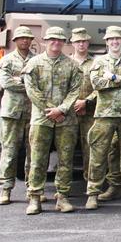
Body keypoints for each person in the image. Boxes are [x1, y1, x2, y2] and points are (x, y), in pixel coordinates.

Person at [23, 27, 81, 215]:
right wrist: (50, 109)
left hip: (66, 120)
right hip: (42, 119)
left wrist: (61, 109)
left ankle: (62, 197)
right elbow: (31, 90)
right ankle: (34, 197)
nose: (56, 43)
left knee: (66, 160)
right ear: (45, 41)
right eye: (52, 39)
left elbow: (75, 90)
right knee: (38, 159)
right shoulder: (34, 63)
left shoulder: (71, 65)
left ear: (64, 43)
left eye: (59, 40)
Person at [85, 26, 121, 210]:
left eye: (118, 39)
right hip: (104, 114)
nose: (115, 42)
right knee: (99, 154)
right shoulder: (99, 62)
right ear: (106, 42)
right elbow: (97, 83)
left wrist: (114, 77)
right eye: (111, 39)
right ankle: (93, 193)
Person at [0, 26, 35, 205]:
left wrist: (20, 79)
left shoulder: (37, 60)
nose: (25, 41)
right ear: (15, 41)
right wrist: (28, 83)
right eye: (21, 38)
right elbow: (6, 83)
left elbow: (41, 84)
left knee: (33, 153)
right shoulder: (7, 60)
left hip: (33, 113)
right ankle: (5, 189)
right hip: (12, 113)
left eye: (28, 38)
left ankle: (32, 189)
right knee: (9, 152)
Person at [70, 28, 96, 182]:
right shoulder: (66, 62)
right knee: (66, 150)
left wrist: (86, 101)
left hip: (90, 112)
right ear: (72, 43)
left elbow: (100, 88)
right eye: (78, 41)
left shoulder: (95, 63)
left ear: (88, 43)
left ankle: (90, 184)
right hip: (68, 113)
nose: (81, 44)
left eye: (84, 41)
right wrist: (72, 104)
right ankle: (64, 186)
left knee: (90, 149)